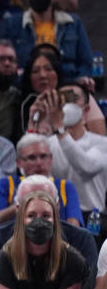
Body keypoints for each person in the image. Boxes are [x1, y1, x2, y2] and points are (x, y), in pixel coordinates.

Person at [4, 0, 93, 79]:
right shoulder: (13, 23)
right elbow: (5, 60)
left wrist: (81, 80)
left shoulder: (73, 23)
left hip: (67, 82)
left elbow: (86, 62)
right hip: (26, 85)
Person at [0, 135, 82, 228]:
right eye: (32, 158)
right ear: (19, 163)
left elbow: (75, 228)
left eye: (43, 156)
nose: (39, 163)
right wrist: (18, 206)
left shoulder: (65, 186)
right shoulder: (6, 185)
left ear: (51, 159)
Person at [44, 82, 107, 215]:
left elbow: (86, 168)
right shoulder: (47, 144)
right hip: (57, 215)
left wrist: (60, 131)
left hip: (92, 216)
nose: (68, 104)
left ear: (86, 109)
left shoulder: (102, 143)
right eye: (63, 99)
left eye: (74, 98)